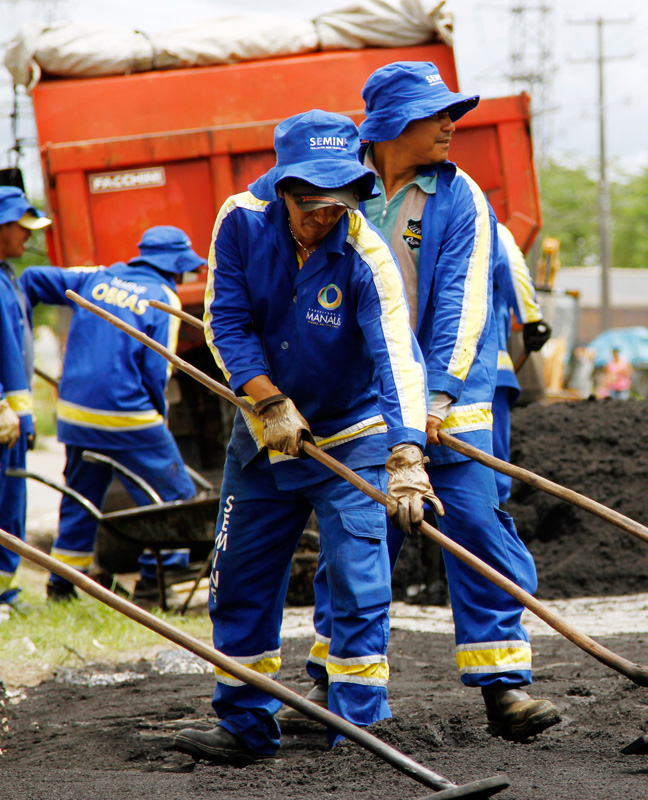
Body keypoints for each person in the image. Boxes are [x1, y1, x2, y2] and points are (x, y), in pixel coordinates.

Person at [285, 62, 560, 743]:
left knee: (473, 524)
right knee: (357, 532)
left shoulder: (459, 195)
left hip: (455, 391)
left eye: (451, 114)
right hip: (361, 396)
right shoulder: (337, 186)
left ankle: (505, 686)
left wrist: (432, 401)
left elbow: (465, 308)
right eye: (436, 114)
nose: (450, 125)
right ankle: (331, 677)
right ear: (390, 125)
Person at [171, 110, 436, 765]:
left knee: (357, 576)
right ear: (283, 190)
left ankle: (360, 727)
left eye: (341, 203)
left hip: (354, 433)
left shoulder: (366, 253)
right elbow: (225, 324)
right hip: (263, 437)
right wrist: (271, 402)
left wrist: (406, 453)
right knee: (238, 578)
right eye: (312, 205)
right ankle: (245, 722)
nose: (326, 218)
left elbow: (396, 355)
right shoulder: (238, 221)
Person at [19, 226, 205, 603]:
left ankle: (63, 584)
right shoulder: (162, 298)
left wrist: (15, 326)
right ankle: (159, 578)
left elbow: (31, 278)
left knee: (80, 496)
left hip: (75, 416)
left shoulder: (97, 277)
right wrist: (158, 418)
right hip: (127, 417)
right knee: (175, 496)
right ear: (175, 267)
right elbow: (157, 371)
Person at [0, 187, 49, 606]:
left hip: (14, 419)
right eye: (21, 228)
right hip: (4, 418)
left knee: (12, 502)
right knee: (3, 502)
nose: (27, 238)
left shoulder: (8, 277)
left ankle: (5, 587)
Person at [491, 222, 550, 503]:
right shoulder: (482, 219)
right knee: (491, 470)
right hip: (486, 368)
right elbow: (511, 264)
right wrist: (531, 319)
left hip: (419, 369)